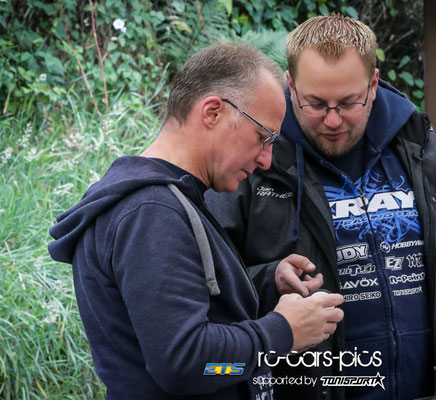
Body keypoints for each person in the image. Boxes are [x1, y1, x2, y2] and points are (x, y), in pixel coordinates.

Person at [205, 15, 436, 400]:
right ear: (290, 86)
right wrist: (269, 280)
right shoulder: (255, 163)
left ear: (373, 84)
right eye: (315, 103)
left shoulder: (419, 148)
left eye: (348, 103)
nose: (332, 120)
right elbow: (209, 288)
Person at [47, 43, 344, 400]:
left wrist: (268, 283)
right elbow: (188, 367)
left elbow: (189, 315)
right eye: (262, 137)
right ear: (213, 112)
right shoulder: (150, 213)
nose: (266, 160)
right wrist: (281, 333)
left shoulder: (173, 201)